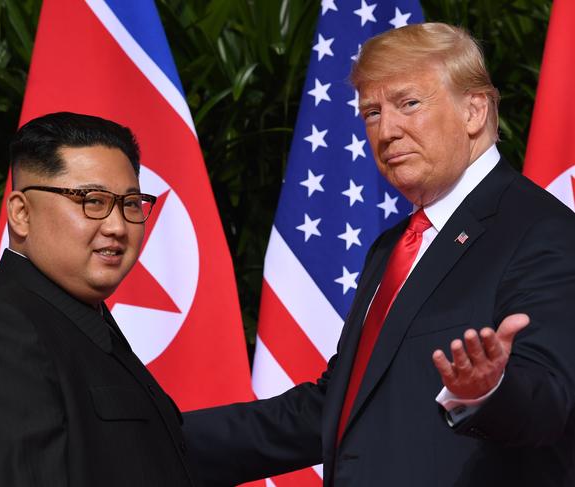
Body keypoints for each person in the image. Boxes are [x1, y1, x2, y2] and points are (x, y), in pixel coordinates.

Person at [183, 23, 575, 486]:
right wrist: (155, 434)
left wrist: (488, 391)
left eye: (408, 104)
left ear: (474, 110)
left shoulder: (541, 230)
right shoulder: (393, 246)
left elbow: (550, 400)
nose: (386, 131)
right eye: (371, 112)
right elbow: (339, 407)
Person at [0, 112, 198, 486]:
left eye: (131, 203)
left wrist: (305, 416)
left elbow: (156, 449)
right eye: (92, 200)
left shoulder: (76, 317)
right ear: (21, 213)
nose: (117, 226)